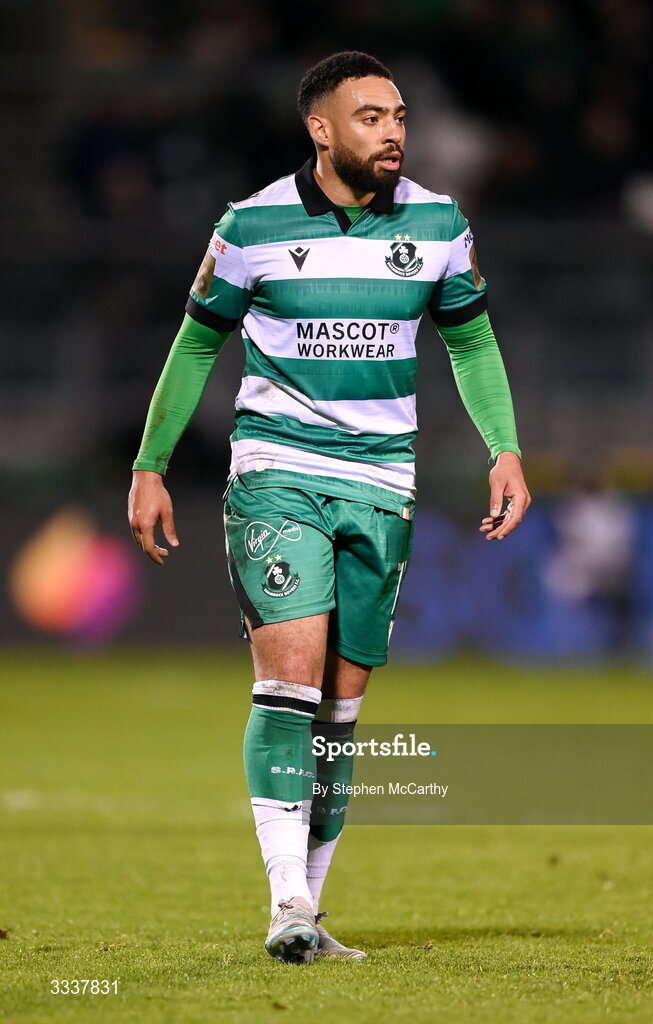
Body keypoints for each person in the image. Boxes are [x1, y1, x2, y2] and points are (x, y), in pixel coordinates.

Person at [128, 51, 530, 965]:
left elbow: (470, 342)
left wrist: (505, 447)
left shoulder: (438, 224)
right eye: (370, 117)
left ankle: (312, 909)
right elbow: (196, 347)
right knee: (291, 683)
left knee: (342, 712)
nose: (392, 131)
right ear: (320, 128)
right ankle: (285, 905)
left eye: (398, 116)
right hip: (277, 472)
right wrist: (150, 462)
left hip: (384, 483)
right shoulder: (251, 225)